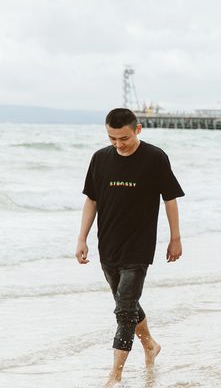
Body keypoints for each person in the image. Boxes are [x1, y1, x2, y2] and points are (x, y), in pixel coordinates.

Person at [76, 108, 185, 387]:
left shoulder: (155, 158)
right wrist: (82, 238)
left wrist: (175, 237)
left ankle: (115, 375)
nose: (118, 144)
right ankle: (149, 345)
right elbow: (92, 200)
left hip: (139, 245)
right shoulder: (100, 158)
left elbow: (170, 198)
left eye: (123, 138)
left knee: (124, 310)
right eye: (112, 138)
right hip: (108, 245)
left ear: (138, 130)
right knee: (126, 303)